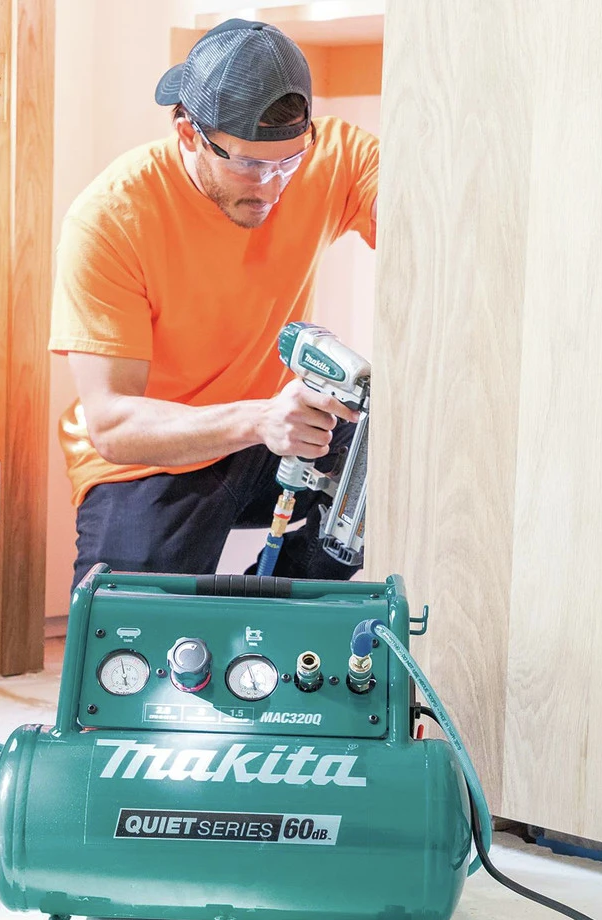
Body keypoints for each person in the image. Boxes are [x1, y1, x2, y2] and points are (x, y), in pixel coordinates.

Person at [49, 18, 379, 591]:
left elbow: (432, 224)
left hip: (273, 437)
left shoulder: (333, 158)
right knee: (128, 628)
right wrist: (259, 419)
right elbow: (113, 423)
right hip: (152, 458)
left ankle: (272, 615)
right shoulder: (111, 219)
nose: (271, 186)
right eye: (247, 164)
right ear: (188, 134)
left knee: (384, 464)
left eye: (287, 162)